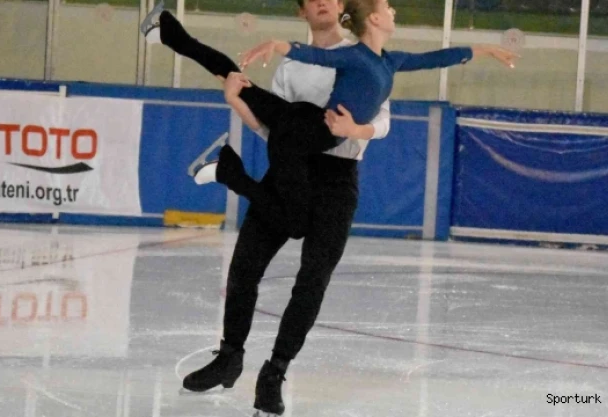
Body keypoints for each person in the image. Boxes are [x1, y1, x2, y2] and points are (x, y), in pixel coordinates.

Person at [141, 1, 518, 415]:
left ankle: (274, 373)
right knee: (245, 266)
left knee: (312, 279)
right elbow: (272, 128)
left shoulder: (366, 55)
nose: (322, 1)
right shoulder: (293, 65)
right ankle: (229, 356)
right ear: (302, 12)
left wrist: (355, 128)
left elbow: (383, 122)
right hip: (290, 166)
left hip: (337, 181)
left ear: (342, 7)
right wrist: (236, 100)